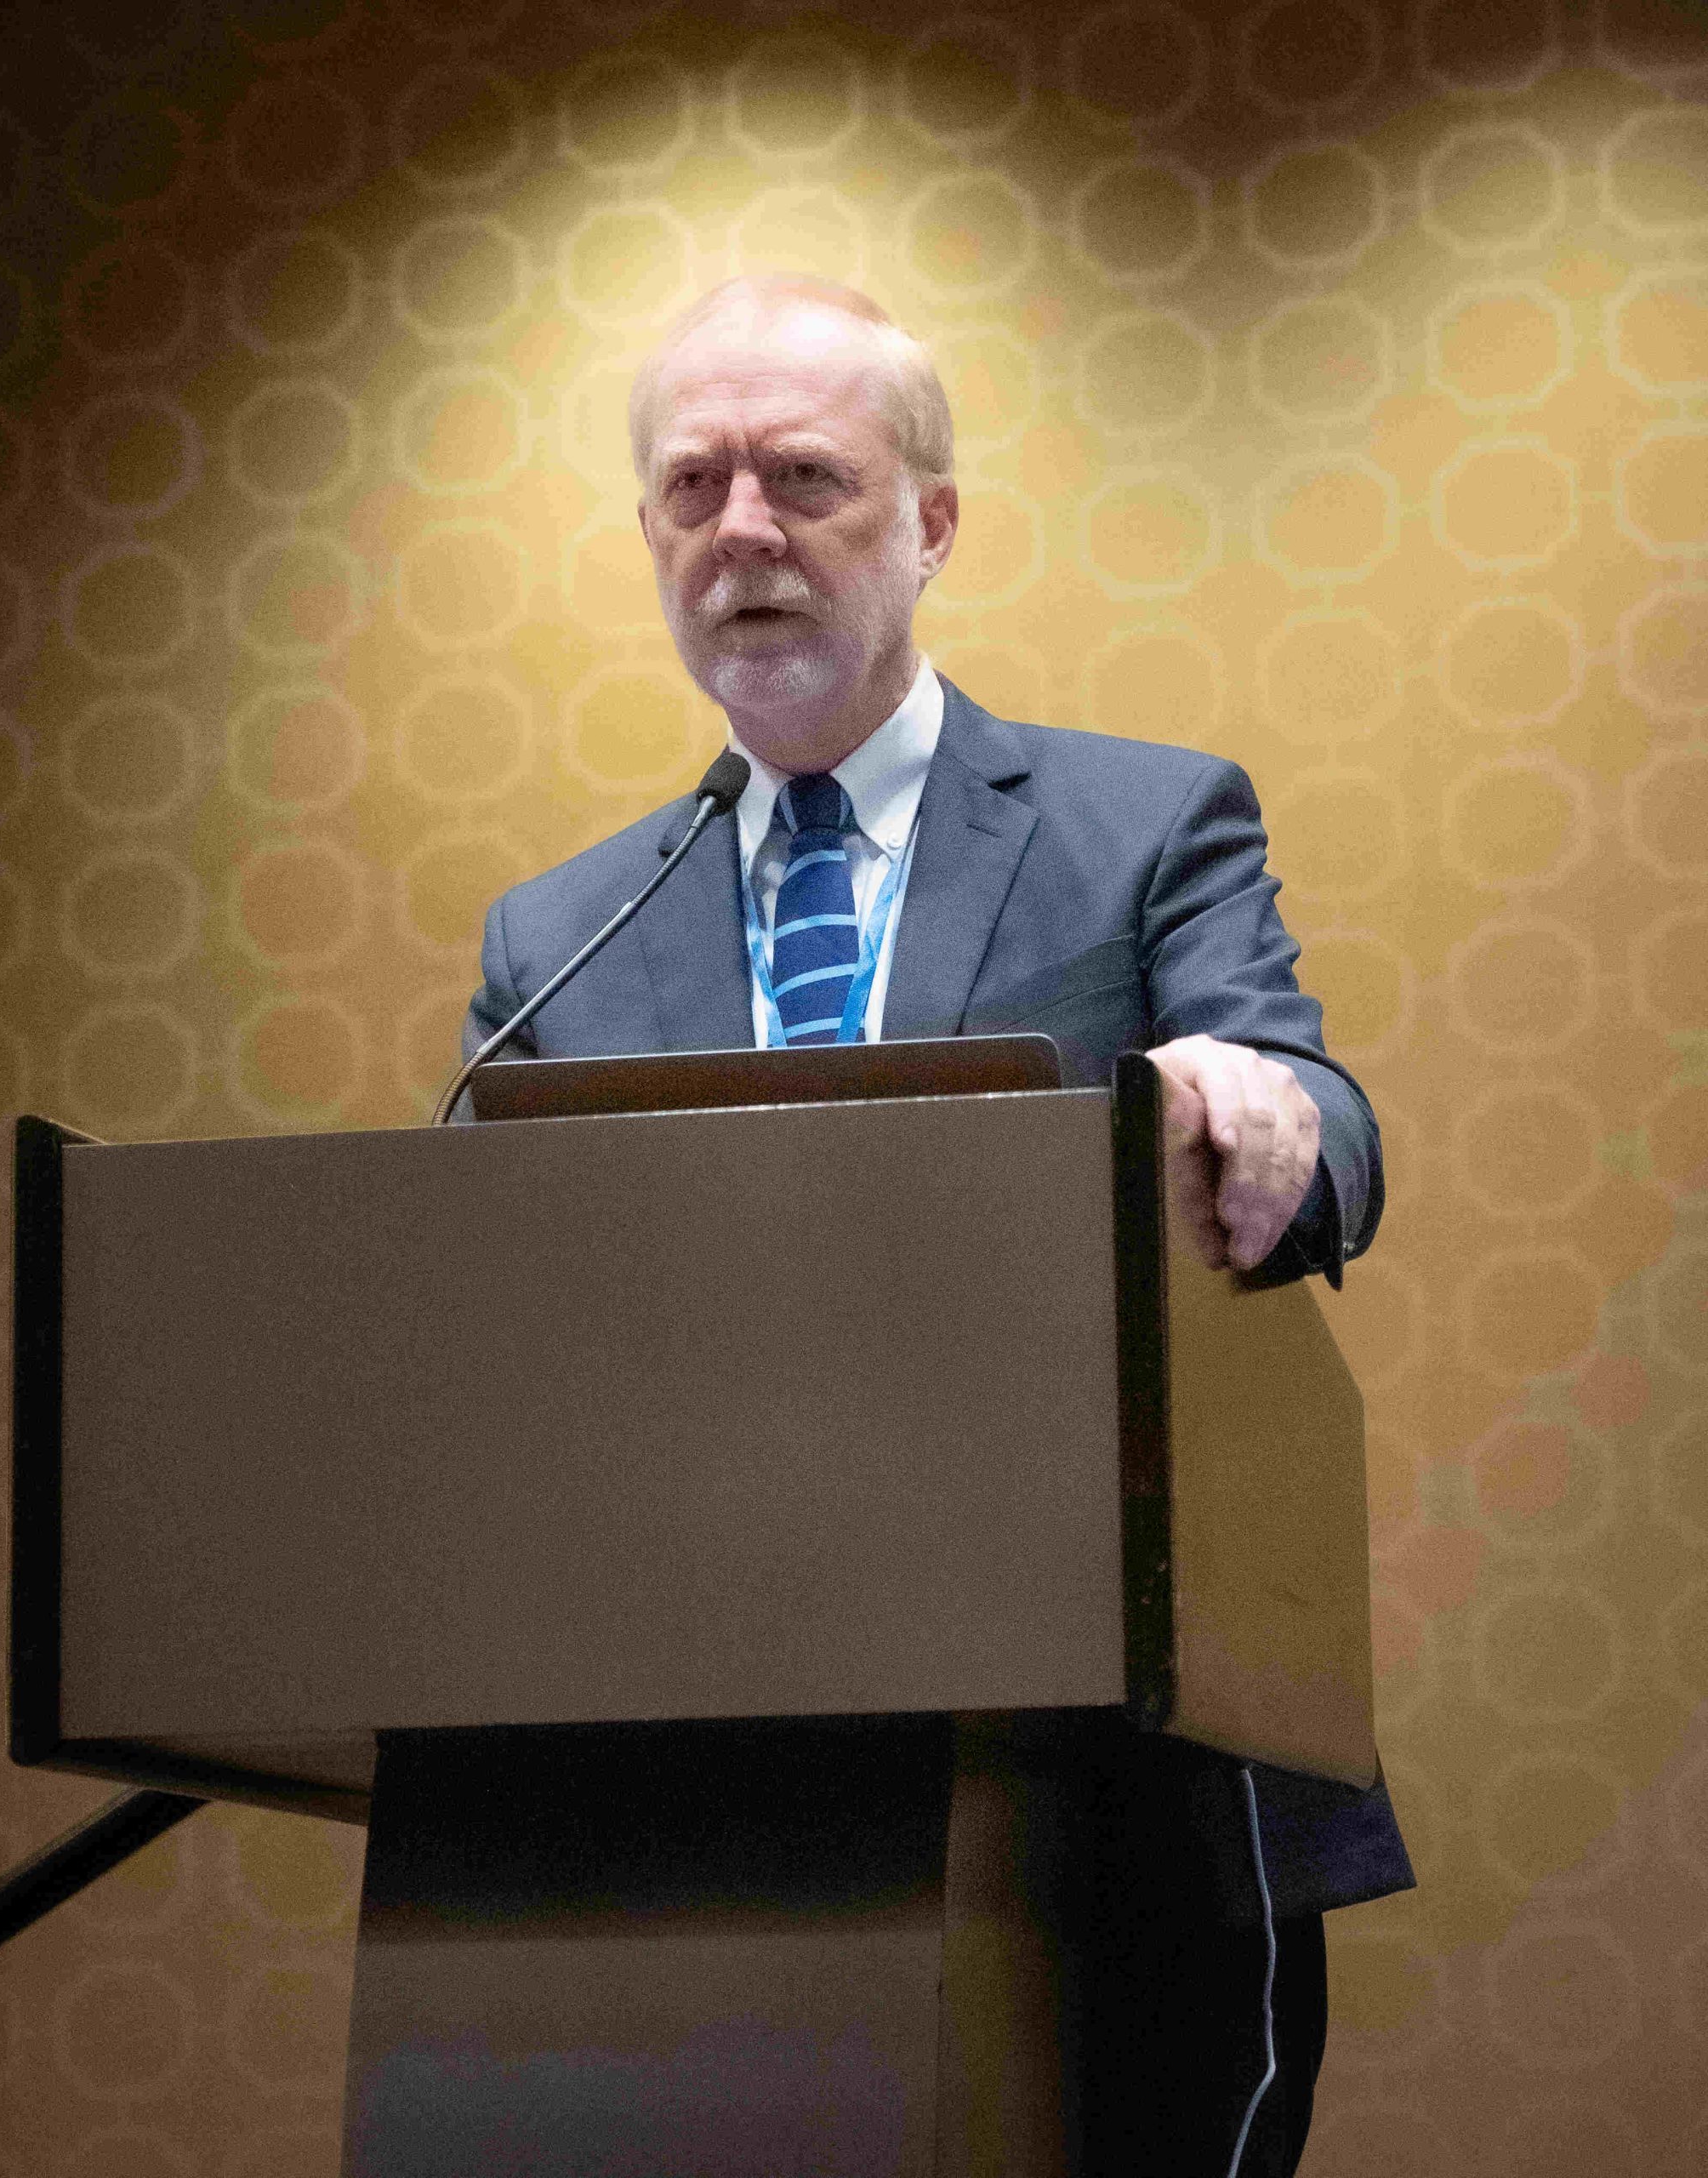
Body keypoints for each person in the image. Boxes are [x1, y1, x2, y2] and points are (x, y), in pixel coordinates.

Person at [462, 274, 1412, 2175]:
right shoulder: (556, 934)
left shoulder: (1146, 824)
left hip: (1120, 1758)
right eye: (693, 485)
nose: (743, 529)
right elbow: (499, 1329)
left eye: (805, 477)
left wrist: (1266, 1108)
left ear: (932, 521)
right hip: (706, 1780)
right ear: (647, 535)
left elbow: (1337, 1145)